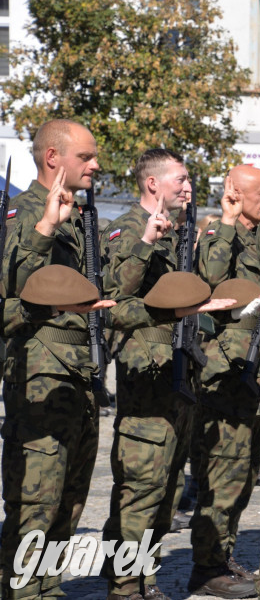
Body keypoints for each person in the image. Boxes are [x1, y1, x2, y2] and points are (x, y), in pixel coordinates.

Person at [101, 148, 235, 599]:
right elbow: (113, 301)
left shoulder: (179, 233)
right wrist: (145, 242)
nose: (187, 185)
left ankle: (146, 578)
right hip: (147, 376)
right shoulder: (126, 229)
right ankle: (125, 586)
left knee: (167, 490)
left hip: (179, 375)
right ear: (152, 184)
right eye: (178, 178)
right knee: (141, 490)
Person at [0, 120, 115, 599]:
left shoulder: (82, 218)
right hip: (40, 386)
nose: (95, 165)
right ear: (53, 158)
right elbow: (11, 296)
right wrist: (46, 227)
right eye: (85, 157)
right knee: (33, 511)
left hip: (81, 383)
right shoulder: (19, 215)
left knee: (66, 511)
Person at [188, 165, 260, 597]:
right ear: (235, 195)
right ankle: (205, 569)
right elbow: (210, 278)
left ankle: (222, 556)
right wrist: (225, 221)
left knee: (242, 475)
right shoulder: (217, 235)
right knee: (221, 474)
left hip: (256, 374)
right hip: (225, 372)